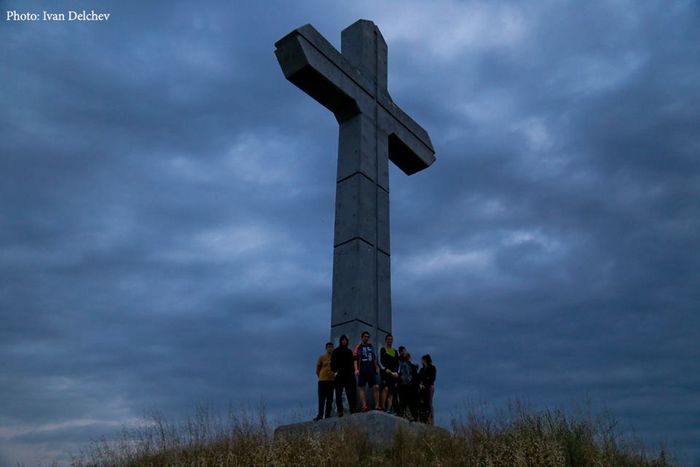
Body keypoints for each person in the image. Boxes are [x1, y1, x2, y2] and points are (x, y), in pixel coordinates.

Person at [354, 331, 380, 412]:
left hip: (371, 370)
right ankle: (364, 406)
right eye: (365, 336)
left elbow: (374, 358)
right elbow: (355, 359)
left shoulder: (371, 346)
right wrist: (356, 369)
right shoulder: (358, 347)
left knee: (376, 386)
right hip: (362, 370)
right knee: (362, 387)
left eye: (368, 337)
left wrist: (376, 367)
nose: (366, 338)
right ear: (362, 337)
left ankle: (377, 406)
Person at [331, 334, 356, 416]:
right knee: (338, 393)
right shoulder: (336, 351)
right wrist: (335, 372)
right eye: (342, 340)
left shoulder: (349, 351)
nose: (344, 341)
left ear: (347, 341)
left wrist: (352, 374)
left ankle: (352, 408)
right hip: (339, 375)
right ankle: (340, 410)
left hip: (348, 375)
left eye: (345, 340)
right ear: (340, 341)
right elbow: (332, 363)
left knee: (350, 392)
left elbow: (352, 364)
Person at [314, 342, 335, 421]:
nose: (330, 348)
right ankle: (320, 415)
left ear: (333, 348)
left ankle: (327, 415)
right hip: (322, 381)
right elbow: (317, 369)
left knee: (330, 399)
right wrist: (321, 376)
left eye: (331, 347)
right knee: (321, 399)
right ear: (326, 348)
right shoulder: (322, 357)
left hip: (331, 381)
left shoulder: (335, 358)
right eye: (328, 347)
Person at [379, 334, 399, 413]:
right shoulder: (383, 349)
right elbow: (380, 361)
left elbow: (397, 363)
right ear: (386, 340)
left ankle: (389, 408)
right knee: (386, 389)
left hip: (393, 374)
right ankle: (383, 407)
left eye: (391, 339)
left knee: (391, 391)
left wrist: (396, 372)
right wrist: (385, 369)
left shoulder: (395, 351)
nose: (390, 341)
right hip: (386, 373)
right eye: (388, 339)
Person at [397, 351, 418, 419]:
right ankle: (407, 414)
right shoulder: (404, 364)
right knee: (406, 401)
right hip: (405, 385)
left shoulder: (407, 365)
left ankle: (407, 414)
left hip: (406, 385)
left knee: (406, 401)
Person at [417, 354, 437, 424]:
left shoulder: (432, 368)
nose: (421, 361)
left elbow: (432, 378)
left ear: (425, 360)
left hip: (429, 386)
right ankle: (423, 417)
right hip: (422, 387)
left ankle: (430, 418)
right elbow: (418, 377)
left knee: (429, 402)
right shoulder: (422, 369)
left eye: (422, 360)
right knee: (423, 402)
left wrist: (425, 383)